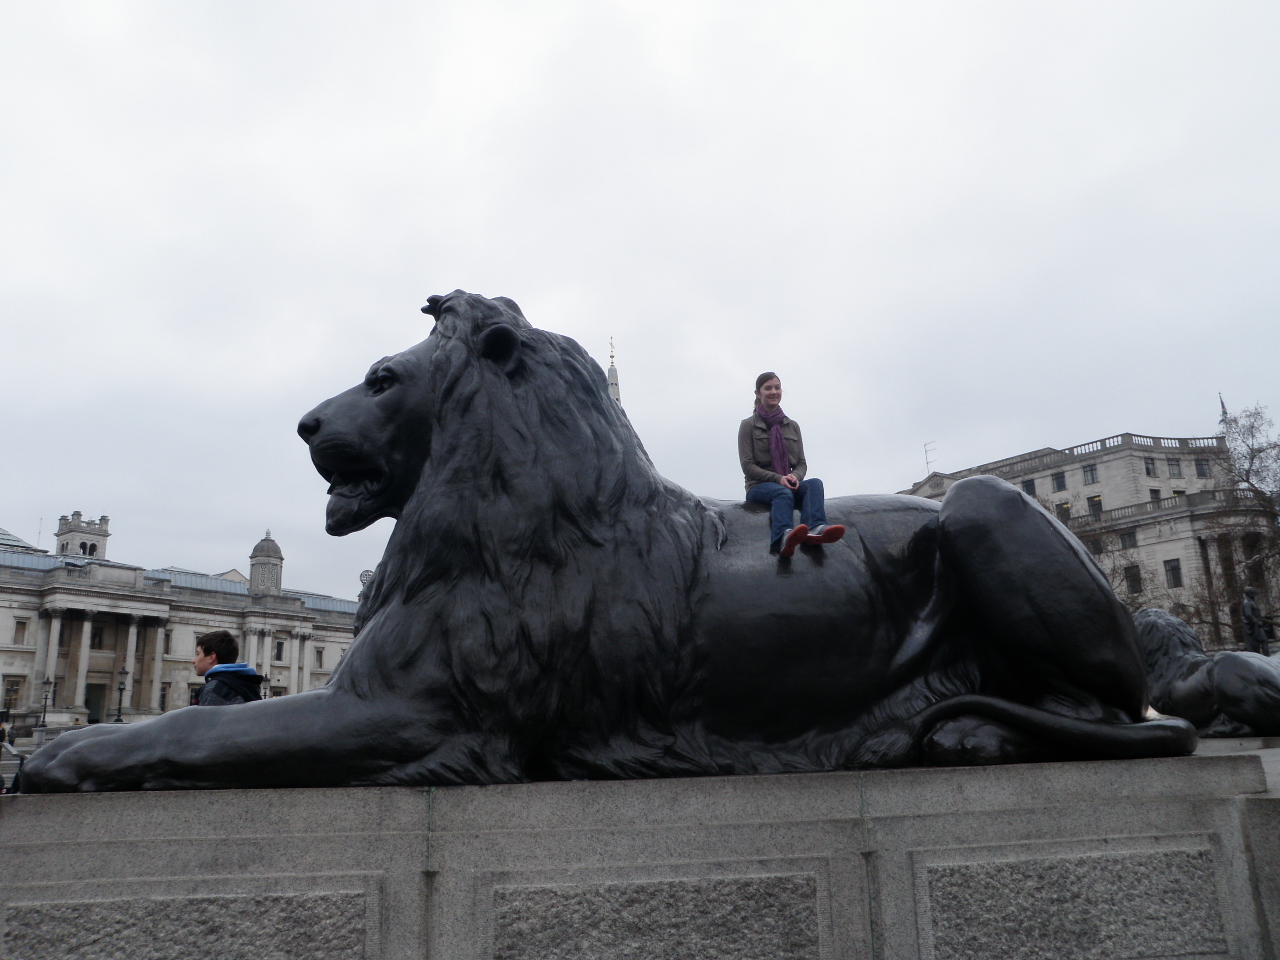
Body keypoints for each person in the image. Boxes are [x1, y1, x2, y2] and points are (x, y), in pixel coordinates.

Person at [739, 372, 845, 557]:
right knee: (782, 493)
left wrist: (795, 476)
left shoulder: (792, 426)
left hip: (787, 483)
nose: (774, 391)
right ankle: (782, 537)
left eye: (777, 387)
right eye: (768, 388)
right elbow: (747, 466)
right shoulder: (748, 425)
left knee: (815, 484)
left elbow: (802, 463)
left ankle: (816, 528)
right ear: (758, 393)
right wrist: (778, 479)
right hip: (760, 487)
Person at [193, 630, 265, 705]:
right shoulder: (248, 687)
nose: (193, 660)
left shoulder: (214, 690)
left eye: (197, 654)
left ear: (211, 657)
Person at [1241, 587, 1273, 658]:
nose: (1254, 594)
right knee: (1263, 640)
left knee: (1261, 641)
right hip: (1255, 626)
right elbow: (1248, 614)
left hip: (1257, 625)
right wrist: (1257, 622)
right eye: (1252, 593)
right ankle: (1266, 657)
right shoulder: (1247, 603)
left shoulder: (1251, 602)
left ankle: (1265, 657)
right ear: (1248, 594)